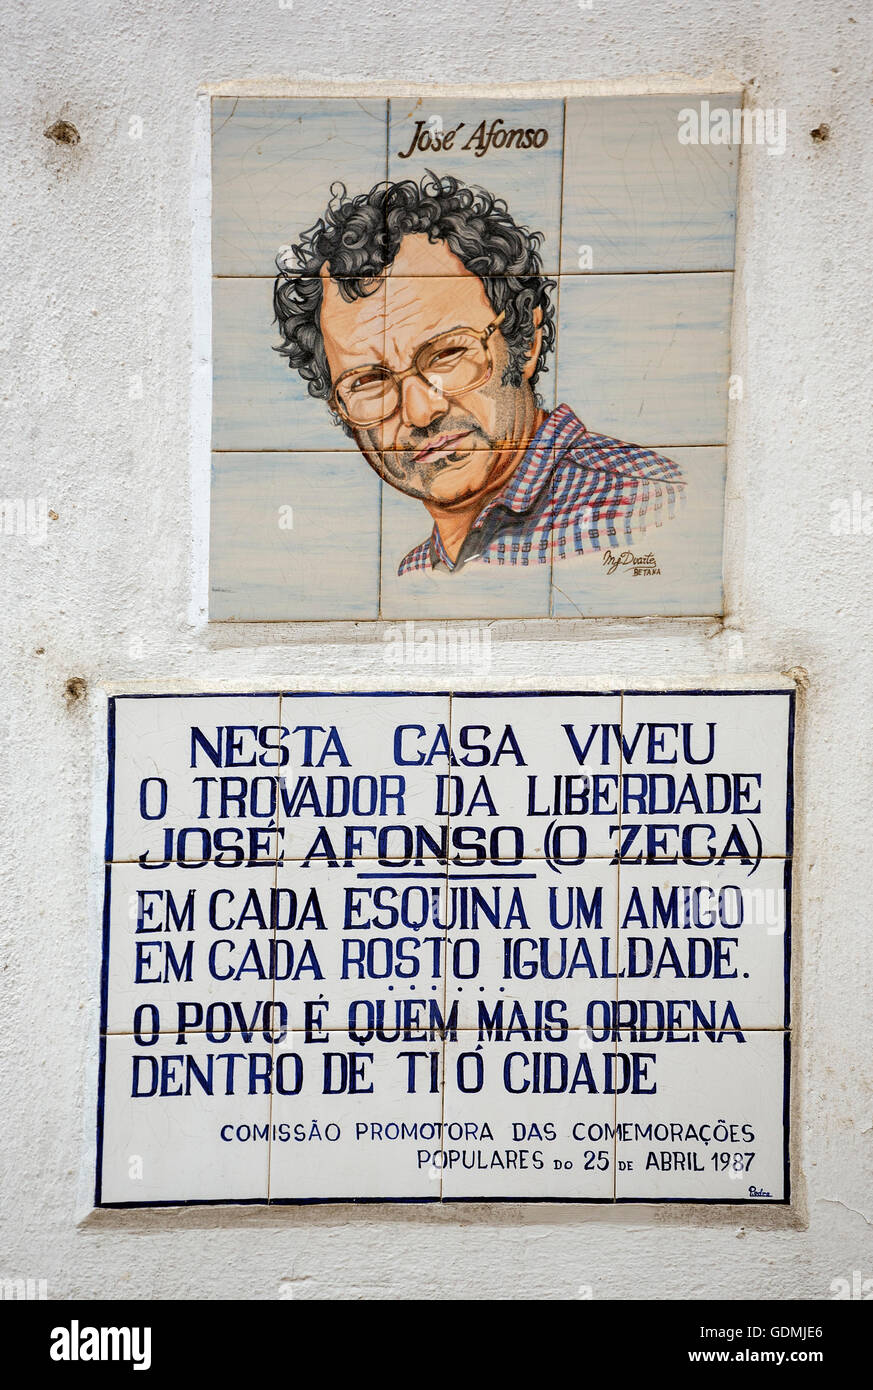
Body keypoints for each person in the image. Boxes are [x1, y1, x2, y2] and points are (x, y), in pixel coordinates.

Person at [273, 174, 684, 575]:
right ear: (340, 407)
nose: (419, 413)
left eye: (447, 354)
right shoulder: (420, 571)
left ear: (526, 338)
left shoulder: (645, 504)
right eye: (369, 382)